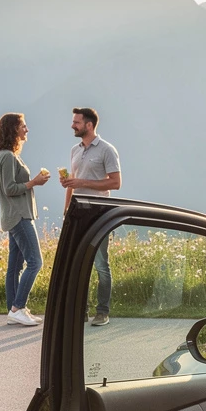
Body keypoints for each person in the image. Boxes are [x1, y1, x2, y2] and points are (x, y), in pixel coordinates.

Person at [61, 107, 122, 326]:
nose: (72, 125)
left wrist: (81, 183)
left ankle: (102, 312)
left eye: (76, 122)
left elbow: (115, 183)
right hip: (77, 213)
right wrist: (67, 209)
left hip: (99, 213)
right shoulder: (75, 150)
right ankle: (81, 311)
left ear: (89, 125)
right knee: (78, 264)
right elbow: (73, 181)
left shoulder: (107, 149)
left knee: (100, 264)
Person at [0, 112, 49, 327]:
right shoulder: (7, 156)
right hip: (19, 216)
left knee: (14, 267)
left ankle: (14, 311)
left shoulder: (8, 155)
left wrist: (34, 182)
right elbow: (9, 189)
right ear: (13, 129)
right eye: (23, 126)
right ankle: (17, 308)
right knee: (35, 262)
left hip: (16, 214)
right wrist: (33, 182)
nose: (27, 129)